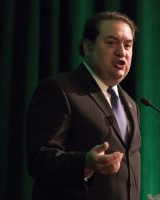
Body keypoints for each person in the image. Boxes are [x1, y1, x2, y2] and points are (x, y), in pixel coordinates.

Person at [26, 11, 141, 200]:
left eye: (128, 45)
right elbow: (40, 159)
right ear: (88, 47)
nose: (122, 52)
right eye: (111, 42)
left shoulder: (130, 104)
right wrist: (85, 164)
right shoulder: (60, 89)